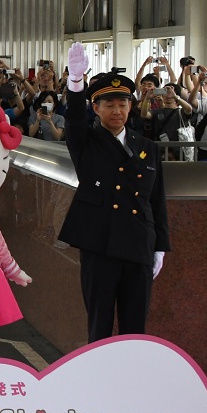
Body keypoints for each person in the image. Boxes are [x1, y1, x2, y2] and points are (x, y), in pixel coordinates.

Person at [58, 43, 170, 343]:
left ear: (130, 106)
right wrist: (76, 83)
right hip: (100, 245)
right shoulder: (86, 142)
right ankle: (99, 382)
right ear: (96, 108)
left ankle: (131, 383)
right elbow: (74, 119)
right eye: (109, 105)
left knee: (135, 327)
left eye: (122, 104)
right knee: (100, 324)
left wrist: (159, 245)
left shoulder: (147, 148)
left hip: (138, 244)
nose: (117, 110)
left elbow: (156, 200)